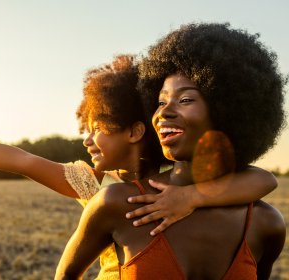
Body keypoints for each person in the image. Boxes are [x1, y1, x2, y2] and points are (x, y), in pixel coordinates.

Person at [57, 22, 287, 280]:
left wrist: (193, 197)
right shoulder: (118, 204)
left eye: (185, 99)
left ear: (230, 110)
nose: (163, 112)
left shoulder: (267, 224)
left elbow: (266, 178)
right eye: (160, 101)